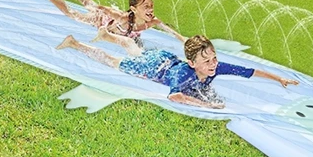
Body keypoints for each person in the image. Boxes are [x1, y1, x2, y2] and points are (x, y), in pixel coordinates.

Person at [57, 33, 297, 110]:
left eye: (214, 58)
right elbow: (175, 96)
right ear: (192, 63)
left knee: (136, 51)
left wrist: (279, 79)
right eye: (207, 61)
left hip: (166, 57)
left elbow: (248, 71)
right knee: (113, 61)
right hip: (154, 68)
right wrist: (206, 106)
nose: (213, 64)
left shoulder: (214, 67)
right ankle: (75, 43)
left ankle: (108, 36)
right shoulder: (183, 75)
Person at [28, 0, 186, 55]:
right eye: (146, 7)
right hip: (101, 19)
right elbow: (108, 11)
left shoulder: (153, 21)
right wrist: (98, 8)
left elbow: (170, 31)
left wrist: (184, 40)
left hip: (112, 24)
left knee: (87, 2)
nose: (151, 10)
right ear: (133, 9)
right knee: (72, 13)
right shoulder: (123, 18)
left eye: (151, 6)